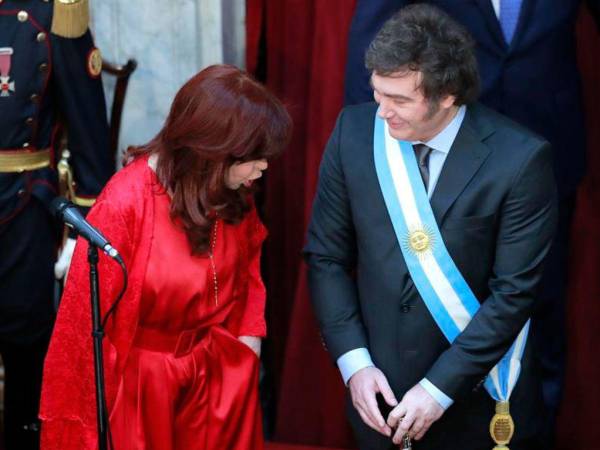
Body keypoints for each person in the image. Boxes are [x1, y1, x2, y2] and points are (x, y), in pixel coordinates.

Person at [344, 2, 600, 439]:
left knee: (540, 305)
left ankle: (529, 434)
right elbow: (373, 31)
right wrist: (368, 147)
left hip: (551, 145)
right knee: (437, 297)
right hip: (447, 145)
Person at [39, 64, 292, 450]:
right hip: (143, 389)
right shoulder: (126, 202)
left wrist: (247, 340)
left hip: (216, 379)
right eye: (255, 157)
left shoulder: (232, 190)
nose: (264, 167)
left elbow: (248, 269)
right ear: (213, 151)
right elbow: (79, 332)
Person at [0, 1, 112, 449]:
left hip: (23, 205)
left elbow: (87, 124)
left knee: (25, 341)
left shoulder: (54, 11)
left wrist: (85, 223)